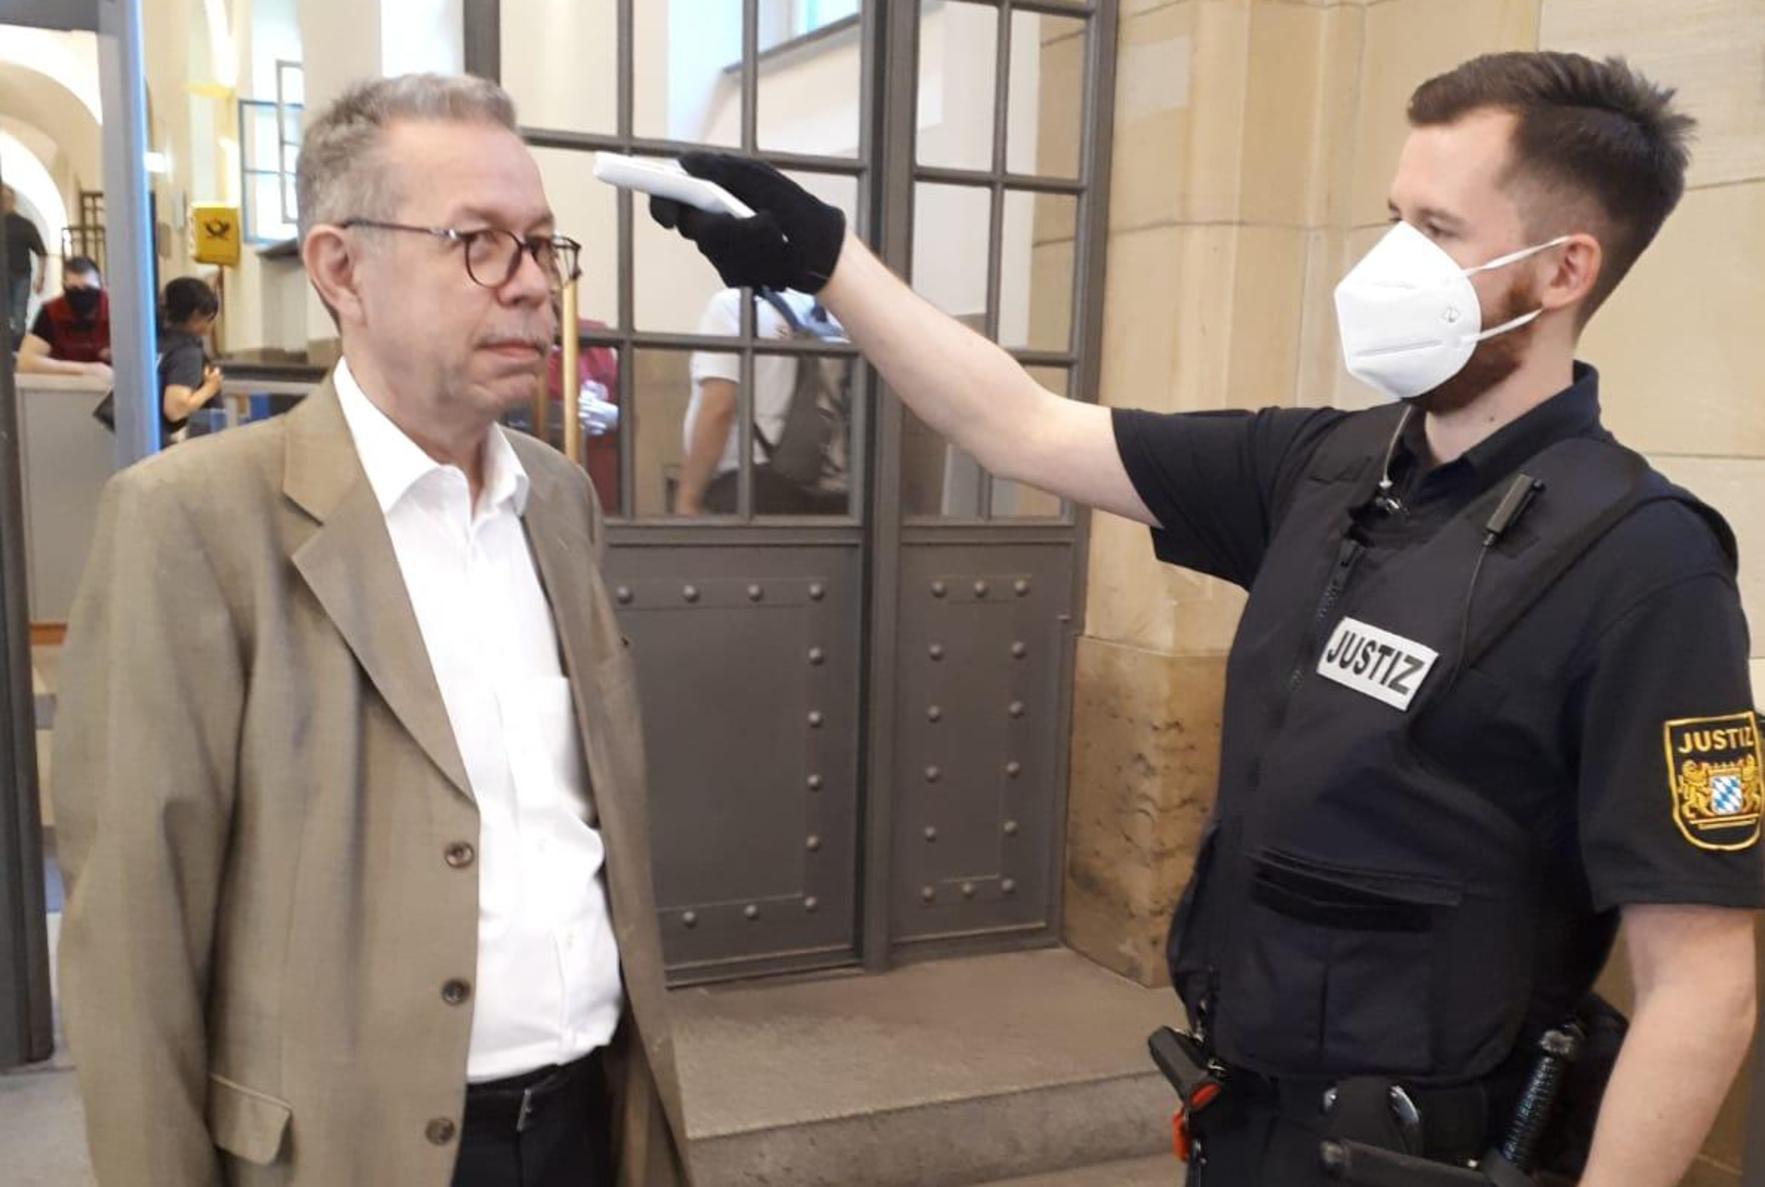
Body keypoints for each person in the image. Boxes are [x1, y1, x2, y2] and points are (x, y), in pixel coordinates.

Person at [653, 52, 1759, 1187]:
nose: (1390, 261)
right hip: (1248, 1115)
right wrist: (833, 264)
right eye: (1393, 219)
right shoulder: (1322, 466)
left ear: (1564, 267)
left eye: (1437, 230)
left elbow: (1704, 979)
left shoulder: (1641, 561)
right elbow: (1022, 426)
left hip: (1433, 1147)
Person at [53, 73, 690, 1187]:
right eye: (479, 243)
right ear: (341, 269)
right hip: (350, 1154)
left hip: (587, 1123)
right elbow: (133, 942)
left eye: (541, 245)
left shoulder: (556, 500)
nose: (531, 284)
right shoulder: (193, 521)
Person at [677, 286, 847, 516]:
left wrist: (687, 499)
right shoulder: (828, 314)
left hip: (744, 487)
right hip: (819, 485)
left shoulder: (733, 306)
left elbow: (719, 409)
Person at [17, 255, 111, 377]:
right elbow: (25, 363)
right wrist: (86, 370)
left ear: (101, 285)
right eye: (73, 289)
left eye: (87, 288)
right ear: (64, 286)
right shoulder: (51, 312)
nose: (81, 294)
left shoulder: (115, 311)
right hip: (65, 385)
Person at [157, 275, 225, 442]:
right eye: (210, 317)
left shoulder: (154, 342)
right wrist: (210, 388)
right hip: (180, 444)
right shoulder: (187, 353)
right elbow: (175, 409)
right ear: (196, 315)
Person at [3, 183, 47, 346]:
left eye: (6, 198)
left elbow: (41, 252)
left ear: (13, 200)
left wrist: (40, 277)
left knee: (19, 313)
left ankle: (17, 347)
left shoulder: (25, 225)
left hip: (21, 275)